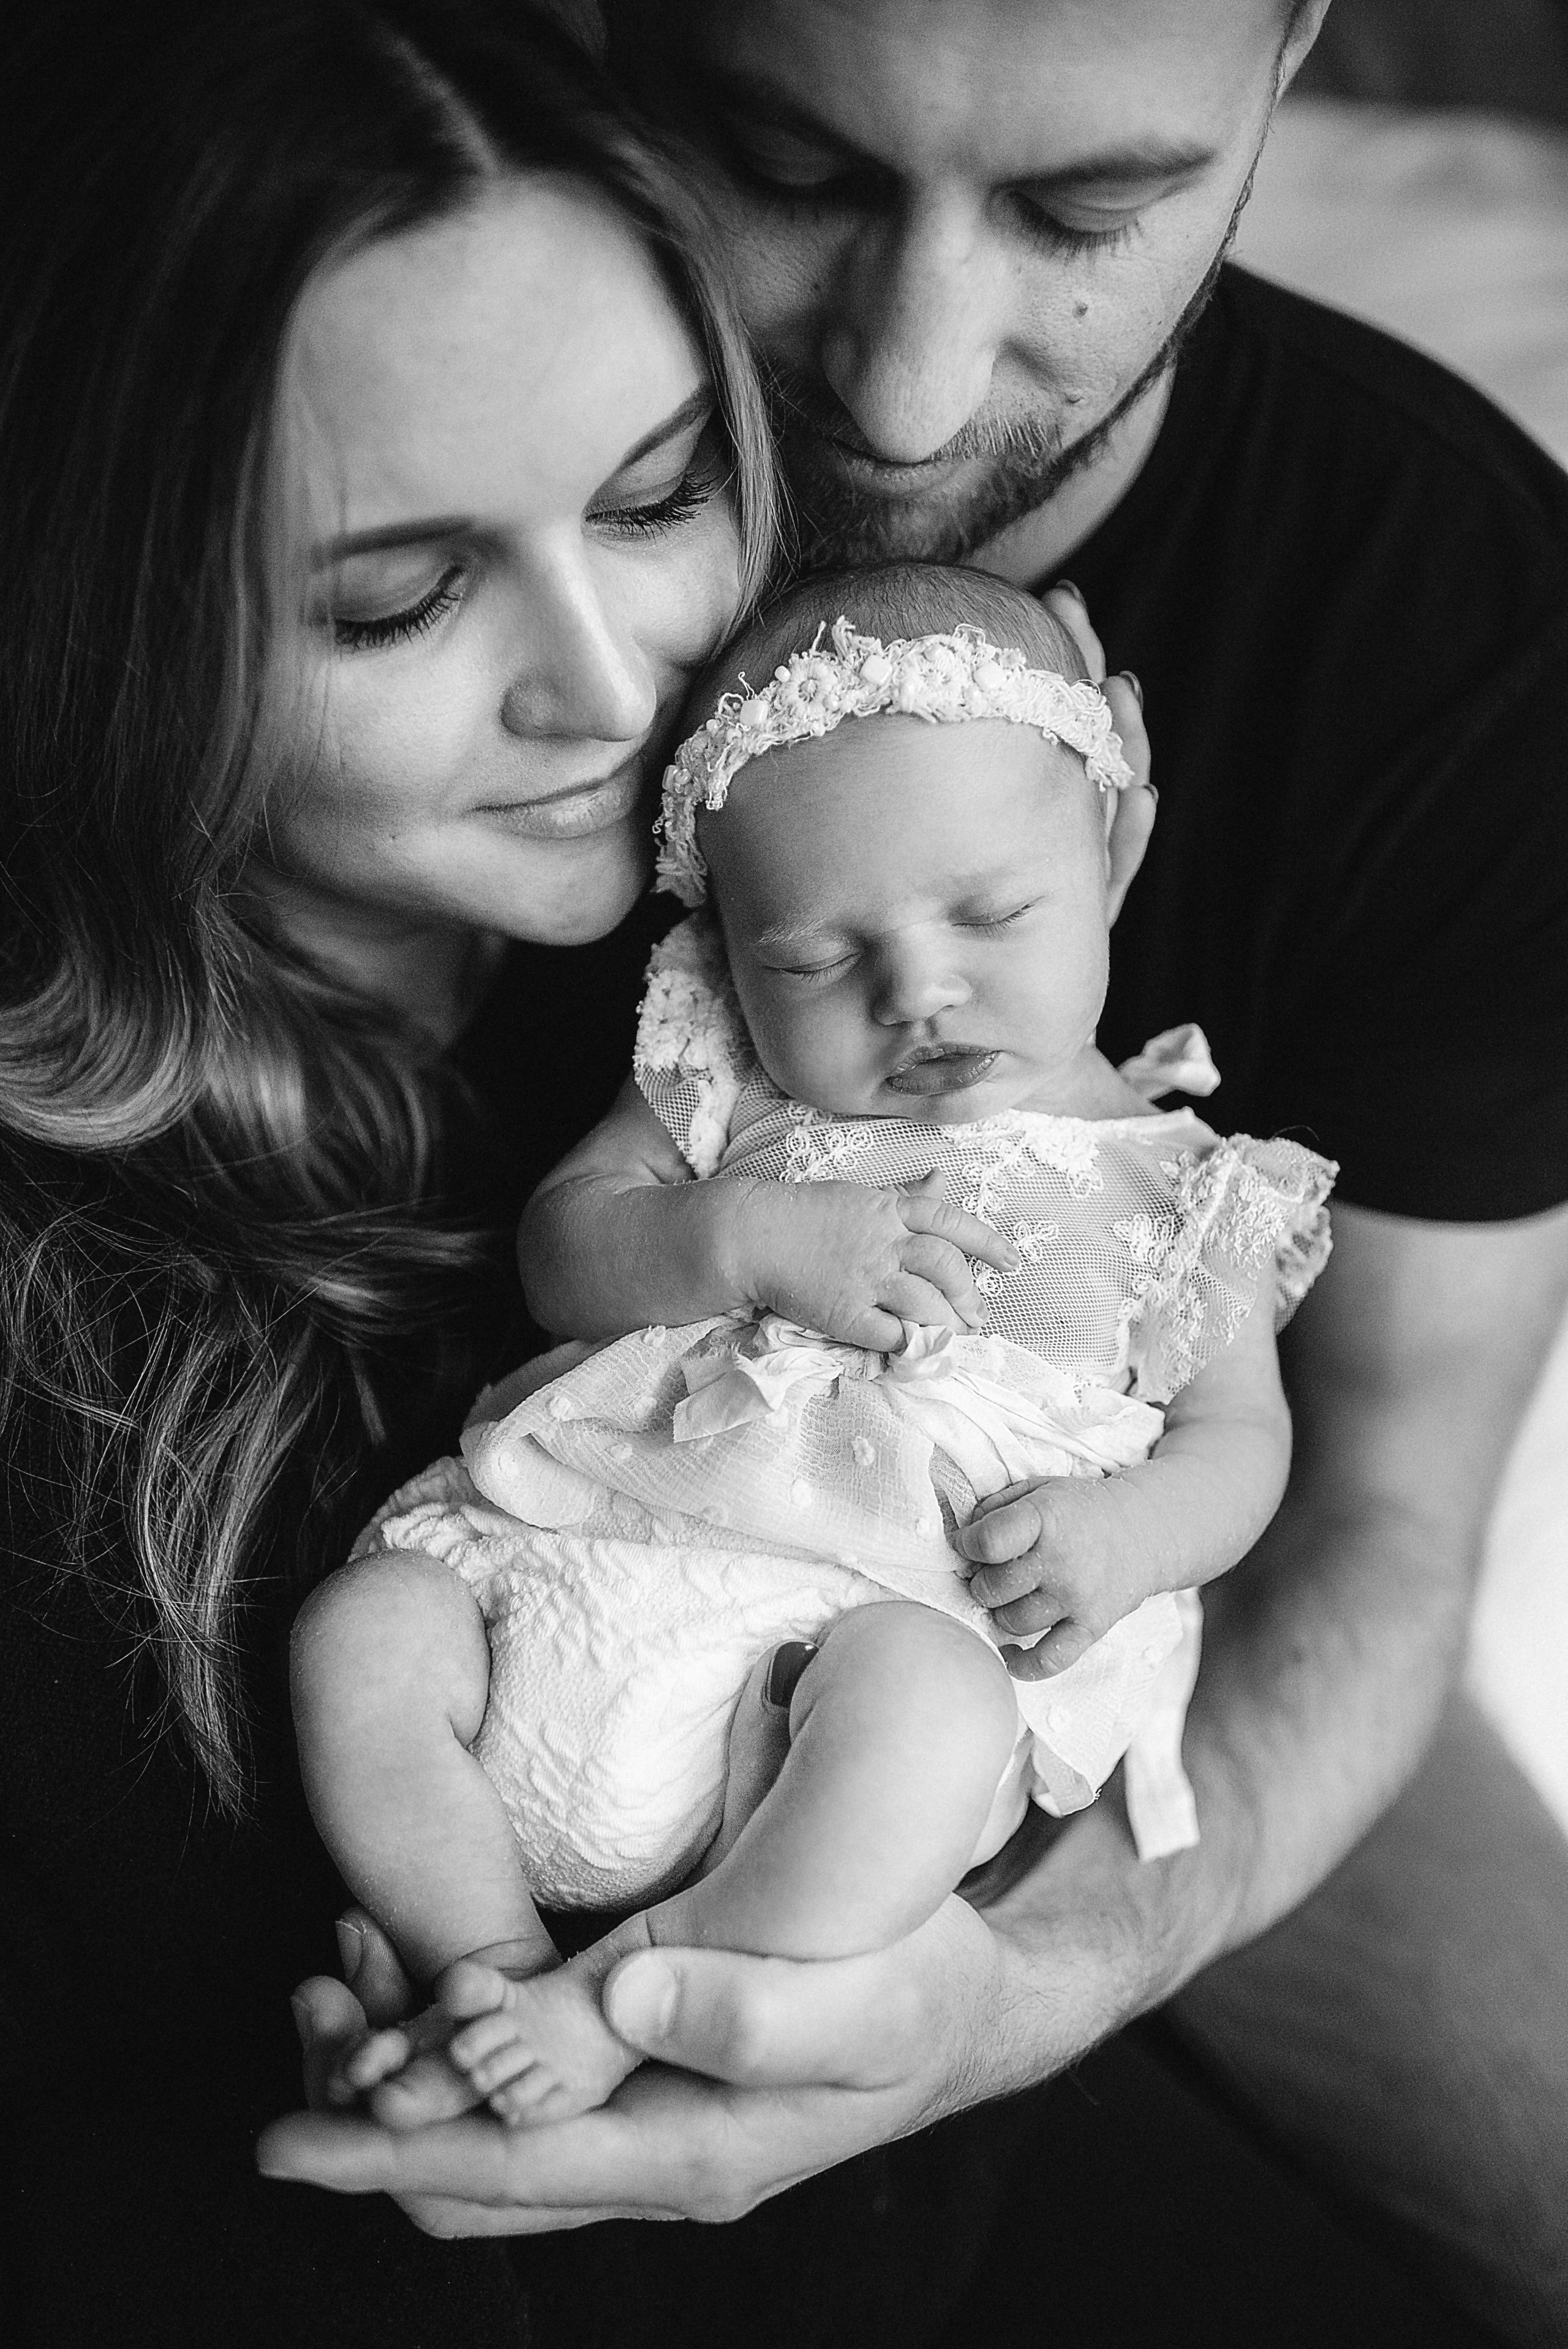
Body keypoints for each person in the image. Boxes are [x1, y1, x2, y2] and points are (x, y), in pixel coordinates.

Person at [264, 2, 1568, 2341]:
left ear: (1296, 53)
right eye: (799, 167)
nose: (900, 382)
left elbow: (1364, 1508)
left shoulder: (1459, 652)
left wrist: (1046, 1972)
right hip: (520, 1570)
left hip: (931, 1660)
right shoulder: (410, 278)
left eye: (1085, 210)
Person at [0, 2, 777, 2341]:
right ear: (84, 618)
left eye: (654, 495)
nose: (612, 682)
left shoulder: (743, 951)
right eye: (395, 595)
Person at [287, 562, 1330, 2133]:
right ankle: (480, 1965)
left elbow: (1240, 1444)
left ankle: (633, 1979)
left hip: (834, 1684)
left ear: (1110, 852)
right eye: (814, 959)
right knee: (365, 1628)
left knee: (933, 1708)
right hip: (579, 1573)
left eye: (992, 912)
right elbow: (563, 1249)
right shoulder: (721, 1069)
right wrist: (739, 1238)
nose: (915, 990)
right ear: (728, 951)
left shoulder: (1186, 1194)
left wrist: (1121, 1537)